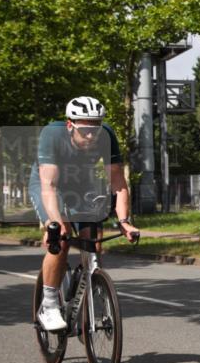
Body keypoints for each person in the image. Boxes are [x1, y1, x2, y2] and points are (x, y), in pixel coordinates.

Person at [28, 96, 140, 331]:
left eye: (95, 129)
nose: (91, 135)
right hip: (49, 183)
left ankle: (84, 304)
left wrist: (124, 222)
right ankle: (48, 305)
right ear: (70, 125)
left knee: (93, 244)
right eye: (84, 129)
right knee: (62, 235)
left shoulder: (106, 136)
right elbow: (48, 186)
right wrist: (55, 223)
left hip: (82, 183)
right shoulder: (52, 135)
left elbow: (118, 184)